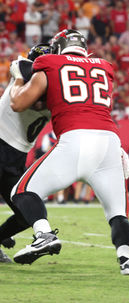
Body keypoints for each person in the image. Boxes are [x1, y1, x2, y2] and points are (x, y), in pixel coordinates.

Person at [8, 29, 129, 275]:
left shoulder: (50, 62)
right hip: (109, 142)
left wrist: (18, 80)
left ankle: (43, 235)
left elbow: (18, 103)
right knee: (117, 212)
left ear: (58, 47)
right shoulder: (105, 66)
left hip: (76, 138)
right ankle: (127, 260)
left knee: (22, 192)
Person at [0, 43, 52, 263]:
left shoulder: (58, 88)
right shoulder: (24, 66)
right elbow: (23, 68)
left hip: (17, 156)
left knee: (26, 213)